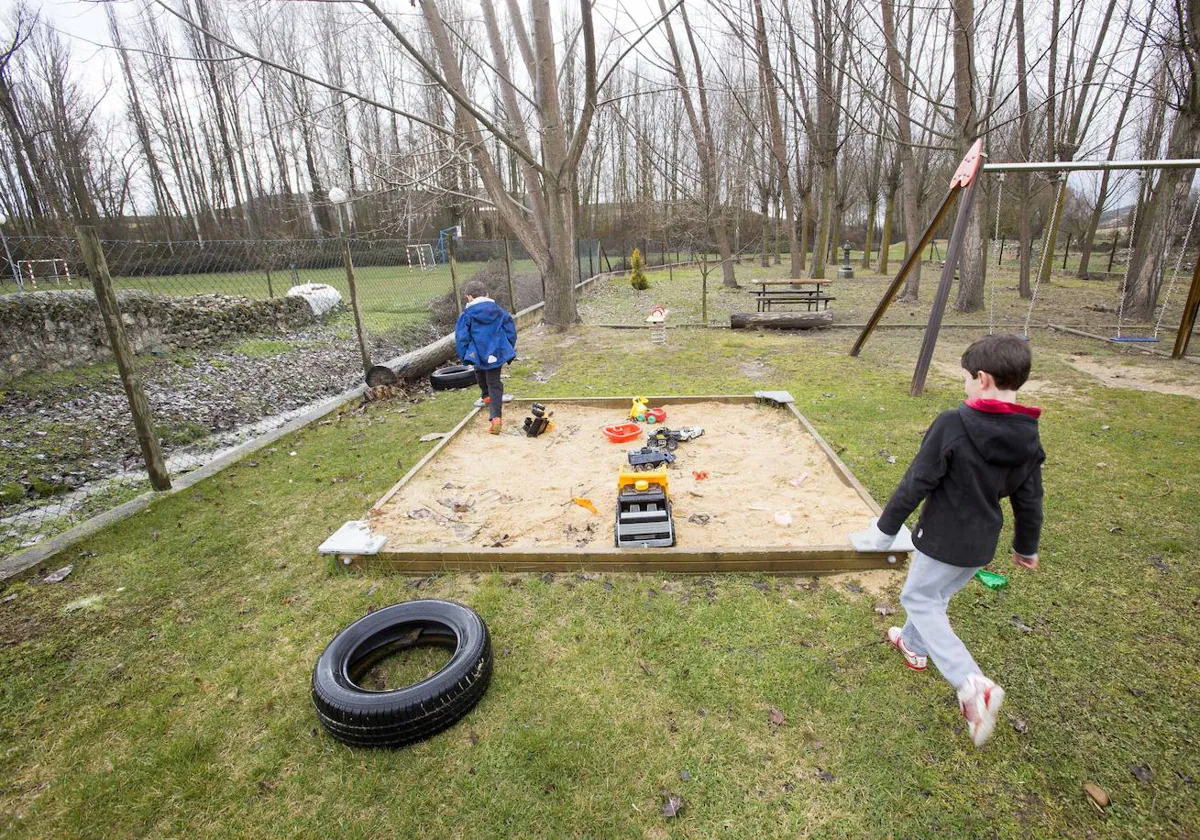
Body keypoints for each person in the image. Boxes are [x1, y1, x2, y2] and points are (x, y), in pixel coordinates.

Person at [853, 333, 1045, 747]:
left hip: (941, 539)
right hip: (980, 547)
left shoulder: (953, 423)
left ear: (982, 378)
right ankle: (913, 644)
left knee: (919, 598)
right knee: (935, 597)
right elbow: (1029, 499)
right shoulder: (1027, 434)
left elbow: (917, 481)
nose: (963, 386)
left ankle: (970, 683)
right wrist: (1026, 546)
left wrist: (885, 530)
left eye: (964, 378)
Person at [455, 280, 517, 434]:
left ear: (468, 297)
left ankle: (486, 397)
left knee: (479, 371)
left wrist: (464, 355)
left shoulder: (467, 315)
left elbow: (461, 337)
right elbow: (510, 330)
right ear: (487, 295)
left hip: (478, 352)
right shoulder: (499, 311)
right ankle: (495, 416)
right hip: (496, 352)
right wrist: (507, 347)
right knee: (494, 382)